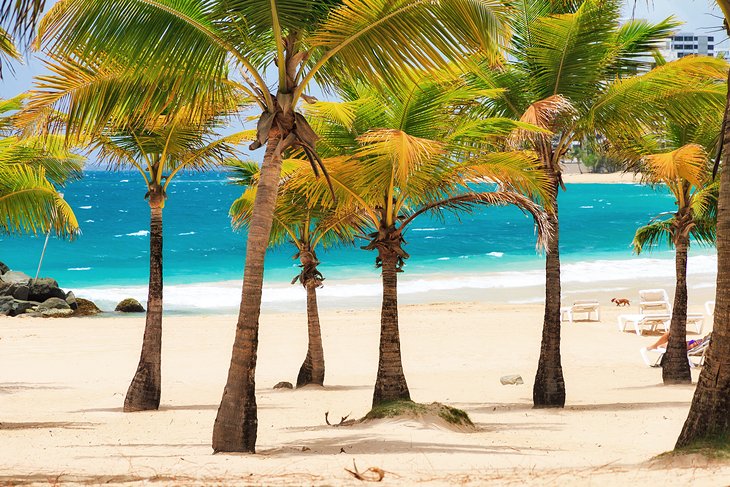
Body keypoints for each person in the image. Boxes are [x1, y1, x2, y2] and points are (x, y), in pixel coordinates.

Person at [646, 331, 711, 351]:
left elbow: (692, 346)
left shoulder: (709, 341)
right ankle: (655, 346)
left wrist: (695, 342)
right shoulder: (710, 339)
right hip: (696, 343)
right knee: (669, 333)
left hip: (693, 345)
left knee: (669, 334)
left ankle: (656, 346)